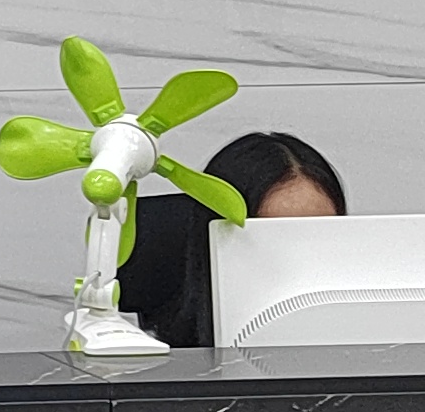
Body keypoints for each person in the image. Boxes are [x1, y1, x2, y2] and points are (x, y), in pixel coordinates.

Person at [112, 130, 346, 347]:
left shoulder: (350, 334)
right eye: (276, 238)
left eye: (319, 236)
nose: (298, 259)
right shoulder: (175, 359)